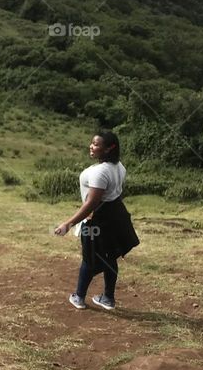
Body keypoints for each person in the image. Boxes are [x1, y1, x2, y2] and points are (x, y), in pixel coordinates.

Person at [53, 131, 139, 311]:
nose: (91, 147)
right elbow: (117, 193)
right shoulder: (119, 166)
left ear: (109, 148)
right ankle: (108, 298)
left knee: (89, 257)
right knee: (110, 256)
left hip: (98, 219)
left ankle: (79, 297)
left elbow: (91, 203)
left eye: (96, 144)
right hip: (116, 214)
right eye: (92, 143)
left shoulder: (100, 172)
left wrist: (67, 224)